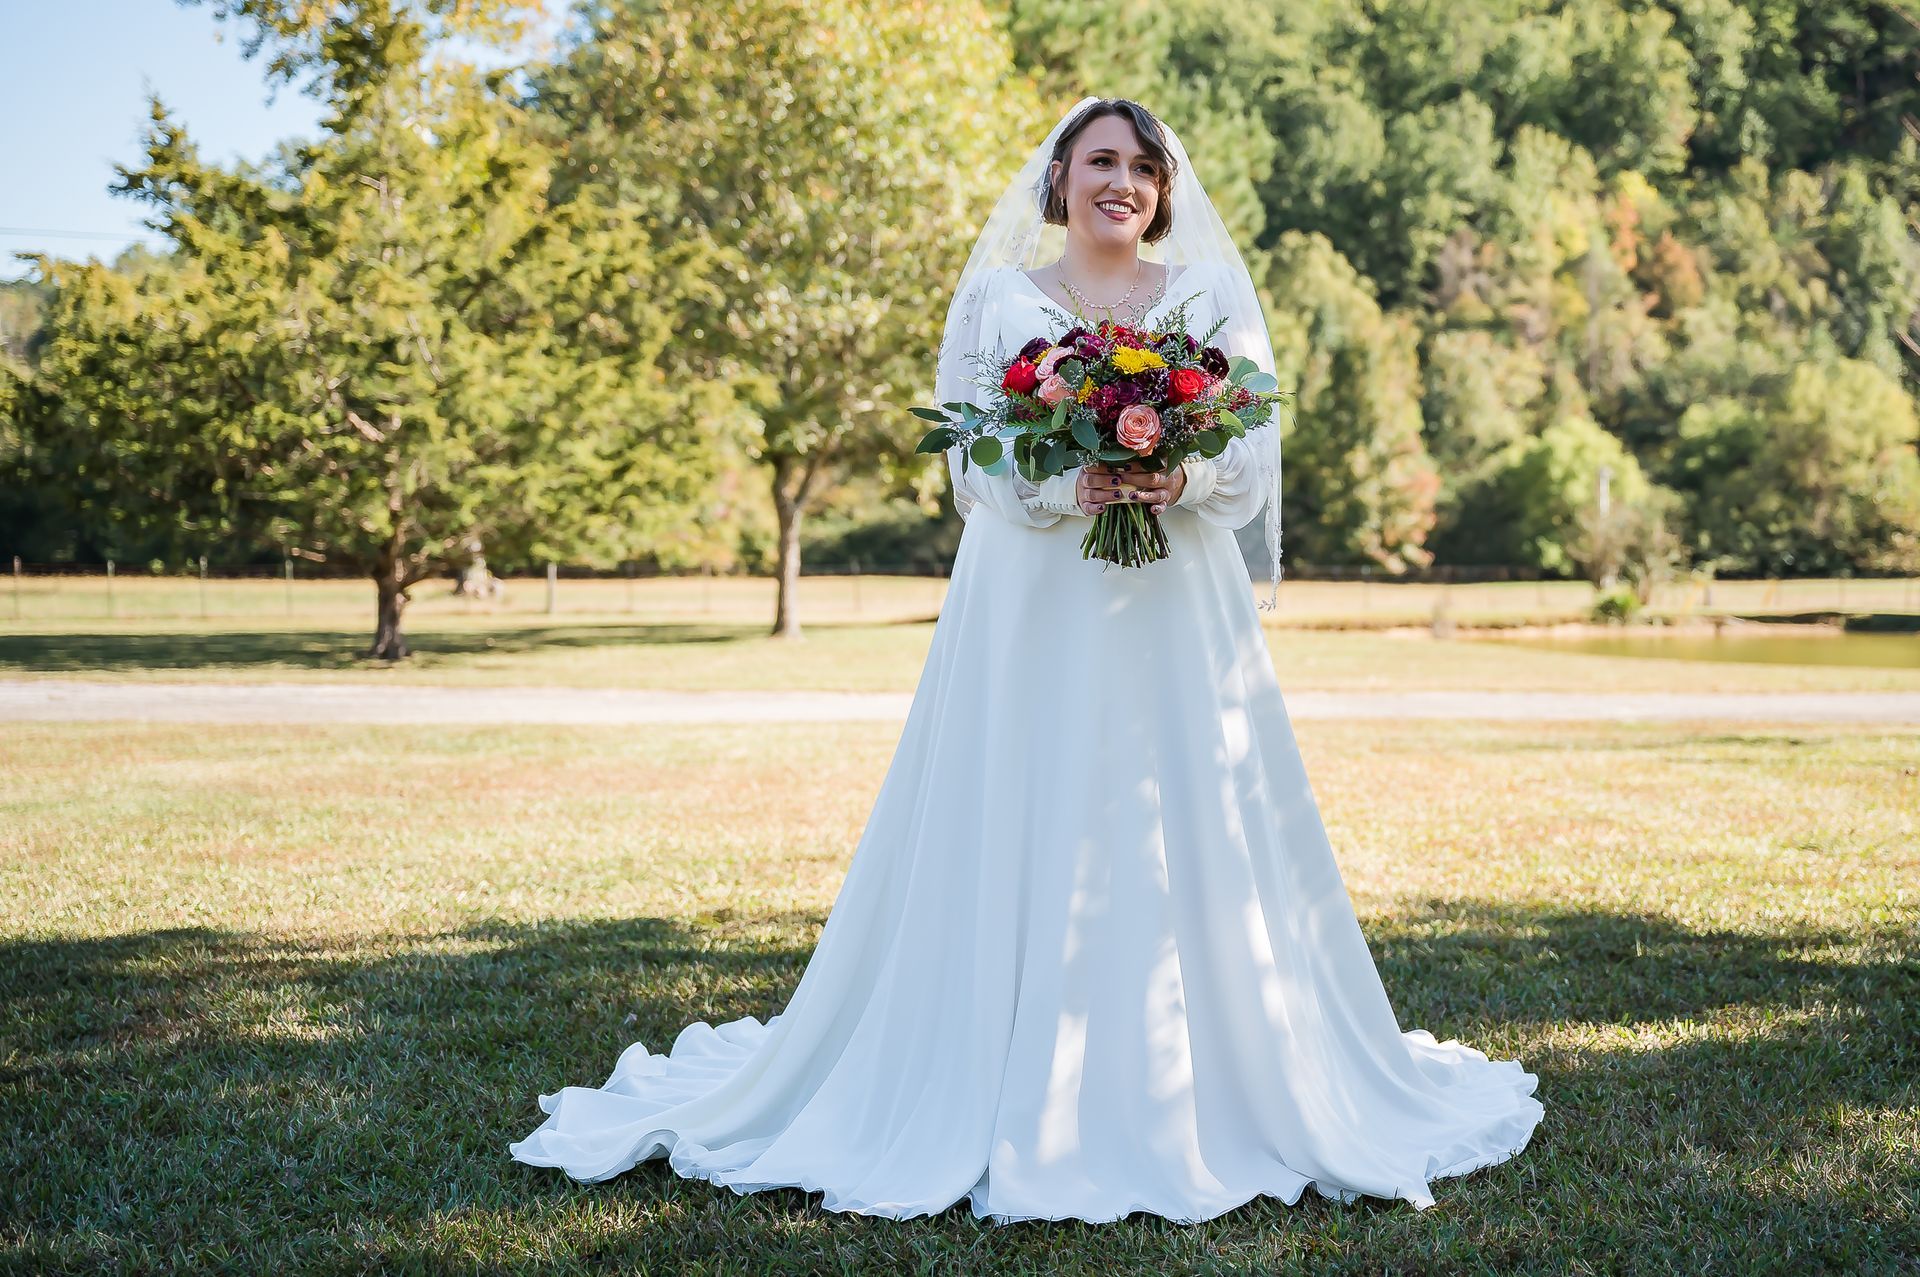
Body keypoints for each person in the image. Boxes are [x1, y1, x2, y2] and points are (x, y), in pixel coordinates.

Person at [509, 95, 1544, 1225]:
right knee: (1027, 794)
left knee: (1173, 802)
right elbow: (973, 468)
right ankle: (999, 1060)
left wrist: (1173, 476)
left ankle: (1192, 1065)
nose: (1125, 183)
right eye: (1103, 161)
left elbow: (1247, 457)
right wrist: (1071, 481)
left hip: (1173, 606)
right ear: (1059, 178)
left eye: (1145, 168)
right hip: (1030, 602)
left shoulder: (1204, 299)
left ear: (1165, 191)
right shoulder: (1002, 299)